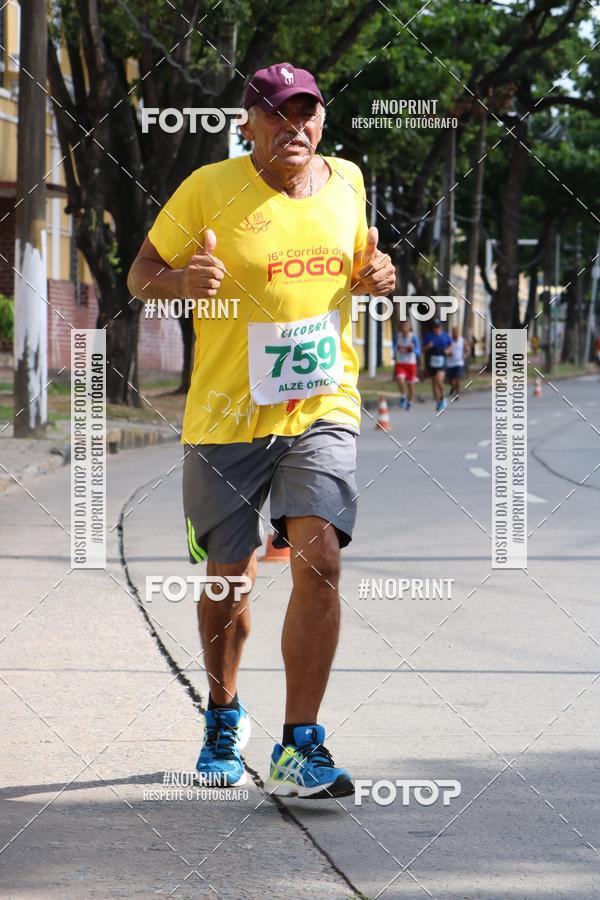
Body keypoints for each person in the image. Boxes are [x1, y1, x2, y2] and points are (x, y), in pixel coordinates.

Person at [127, 62, 396, 799]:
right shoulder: (208, 189)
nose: (295, 128)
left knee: (319, 560)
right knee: (230, 579)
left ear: (322, 122)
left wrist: (381, 273)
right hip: (224, 416)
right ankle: (223, 711)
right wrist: (180, 283)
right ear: (247, 123)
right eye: (277, 115)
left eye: (307, 114)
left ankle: (298, 745)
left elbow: (366, 264)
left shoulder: (347, 180)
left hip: (321, 406)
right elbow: (140, 272)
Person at [422, 319, 452, 411]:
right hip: (432, 361)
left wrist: (448, 350)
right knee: (434, 383)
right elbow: (422, 348)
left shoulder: (445, 336)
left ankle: (442, 397)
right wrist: (428, 346)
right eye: (435, 327)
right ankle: (439, 402)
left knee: (439, 380)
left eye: (438, 327)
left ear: (440, 327)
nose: (436, 329)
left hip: (442, 360)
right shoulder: (429, 336)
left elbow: (450, 345)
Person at [394, 320, 420, 409]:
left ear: (409, 327)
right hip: (400, 363)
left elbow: (418, 351)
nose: (404, 328)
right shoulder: (398, 336)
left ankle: (409, 402)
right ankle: (403, 396)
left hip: (411, 363)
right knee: (399, 379)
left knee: (410, 385)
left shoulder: (413, 337)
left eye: (406, 326)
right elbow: (393, 347)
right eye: (402, 326)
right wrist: (397, 349)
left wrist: (412, 349)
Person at [446, 325, 468, 398]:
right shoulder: (449, 340)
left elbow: (467, 350)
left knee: (457, 378)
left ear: (458, 332)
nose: (455, 333)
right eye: (453, 332)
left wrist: (464, 355)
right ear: (452, 332)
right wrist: (448, 353)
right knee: (450, 380)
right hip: (450, 363)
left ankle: (457, 393)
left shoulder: (462, 340)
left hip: (459, 362)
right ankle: (453, 387)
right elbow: (446, 350)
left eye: (456, 332)